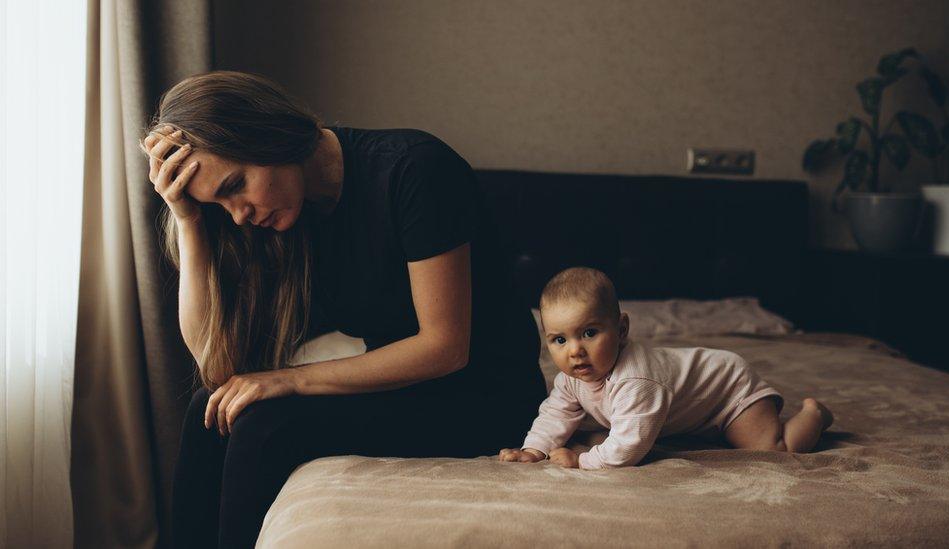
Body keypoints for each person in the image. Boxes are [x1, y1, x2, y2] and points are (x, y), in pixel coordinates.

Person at [140, 70, 546, 548]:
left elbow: (445, 349)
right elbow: (216, 361)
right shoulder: (282, 219)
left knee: (263, 428)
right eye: (220, 204)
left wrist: (288, 379)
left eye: (235, 185)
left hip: (484, 400)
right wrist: (188, 220)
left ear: (268, 134)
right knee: (209, 411)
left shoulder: (414, 170)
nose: (239, 213)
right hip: (400, 394)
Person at [498, 267, 833, 470]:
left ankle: (813, 415)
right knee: (593, 432)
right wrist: (534, 449)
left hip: (726, 392)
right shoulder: (572, 377)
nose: (575, 352)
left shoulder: (636, 380)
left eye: (589, 333)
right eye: (559, 340)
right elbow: (556, 414)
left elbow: (629, 449)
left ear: (622, 330)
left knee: (772, 451)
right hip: (688, 403)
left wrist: (582, 461)